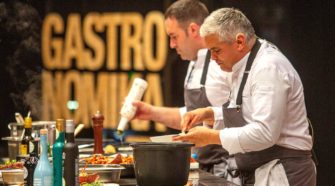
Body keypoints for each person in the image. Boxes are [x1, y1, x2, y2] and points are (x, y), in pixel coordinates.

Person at [174, 7, 316, 186]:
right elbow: (247, 111)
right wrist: (211, 114)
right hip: (260, 171)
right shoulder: (242, 63)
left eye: (216, 50)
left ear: (239, 42)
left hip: (284, 173)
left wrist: (212, 136)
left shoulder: (268, 67)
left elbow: (265, 133)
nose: (213, 58)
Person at [132, 0, 232, 178]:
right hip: (204, 166)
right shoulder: (193, 62)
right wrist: (150, 112)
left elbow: (237, 117)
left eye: (174, 36)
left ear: (193, 30)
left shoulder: (220, 65)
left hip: (225, 170)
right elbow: (192, 116)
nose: (171, 44)